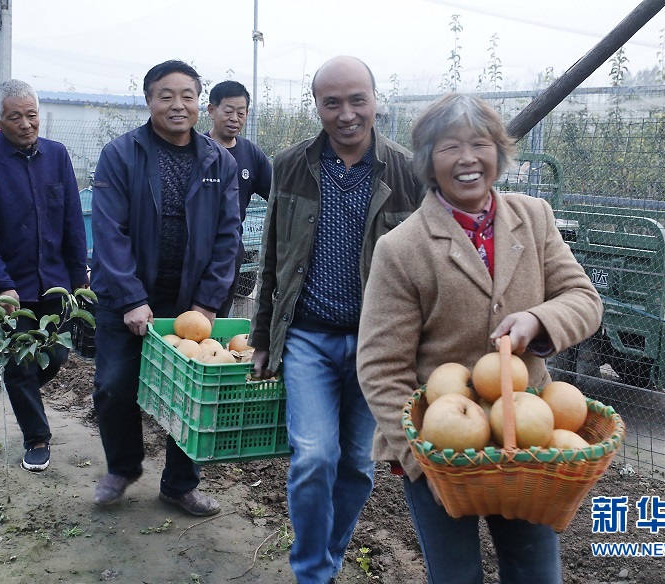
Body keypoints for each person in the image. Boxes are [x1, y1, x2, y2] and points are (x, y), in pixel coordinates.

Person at [355, 93, 604, 584]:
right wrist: (423, 457)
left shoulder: (534, 219)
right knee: (455, 575)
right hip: (440, 446)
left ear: (499, 152)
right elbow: (381, 366)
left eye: (480, 143)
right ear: (428, 161)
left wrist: (538, 319)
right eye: (450, 147)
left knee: (535, 571)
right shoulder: (403, 248)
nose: (468, 159)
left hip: (530, 439)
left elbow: (583, 299)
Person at [249, 56, 425, 583]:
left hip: (377, 347)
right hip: (307, 337)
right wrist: (262, 334)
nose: (346, 113)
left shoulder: (407, 172)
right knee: (313, 457)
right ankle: (312, 572)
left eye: (357, 100)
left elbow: (427, 267)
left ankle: (328, 555)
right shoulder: (291, 165)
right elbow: (272, 254)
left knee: (355, 463)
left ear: (375, 101)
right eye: (332, 102)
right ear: (317, 106)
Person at [89, 60, 240, 516]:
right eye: (166, 95)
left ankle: (180, 484)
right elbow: (109, 230)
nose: (177, 104)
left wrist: (207, 303)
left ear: (200, 102)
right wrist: (132, 298)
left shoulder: (220, 160)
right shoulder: (121, 154)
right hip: (127, 298)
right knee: (114, 385)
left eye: (187, 95)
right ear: (149, 100)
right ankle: (122, 467)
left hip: (189, 300)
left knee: (192, 393)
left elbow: (228, 235)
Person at [0, 79, 89, 472]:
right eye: (15, 117)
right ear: (0, 120)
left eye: (31, 115)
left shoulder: (57, 156)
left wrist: (79, 274)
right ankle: (36, 436)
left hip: (54, 280)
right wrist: (0, 284)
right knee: (20, 362)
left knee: (55, 354)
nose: (25, 124)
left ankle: (18, 384)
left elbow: (71, 218)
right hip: (9, 284)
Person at [204, 80, 272, 317]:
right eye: (228, 111)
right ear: (212, 110)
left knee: (218, 314)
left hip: (230, 248)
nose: (235, 118)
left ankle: (214, 353)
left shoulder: (251, 153)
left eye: (240, 113)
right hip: (194, 247)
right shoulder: (196, 150)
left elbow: (277, 193)